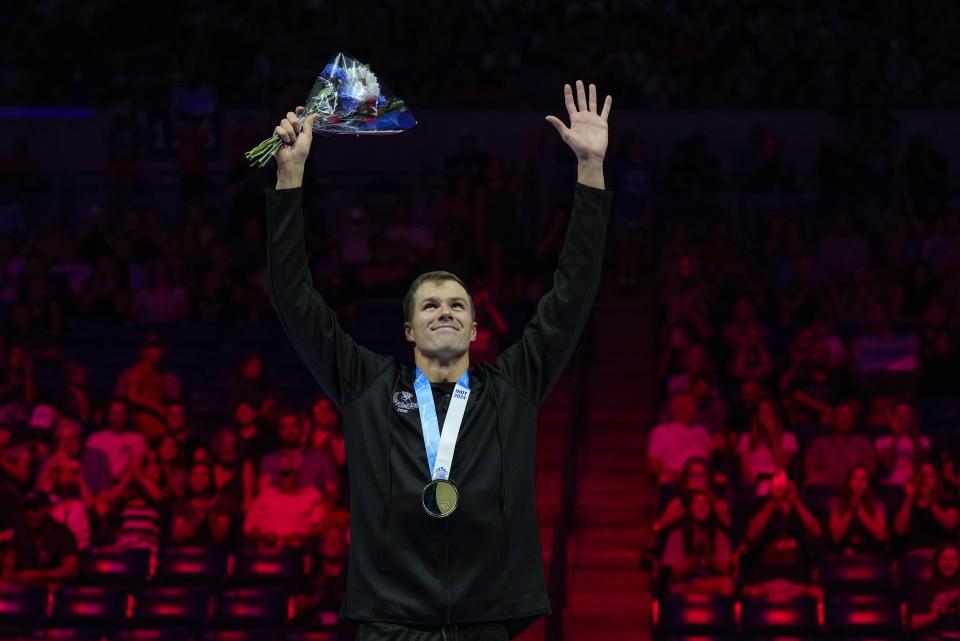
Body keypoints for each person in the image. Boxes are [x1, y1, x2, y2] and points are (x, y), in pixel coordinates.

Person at [264, 81, 612, 640]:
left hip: (486, 621)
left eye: (457, 304)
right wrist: (289, 179)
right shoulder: (368, 387)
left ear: (476, 329)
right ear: (408, 329)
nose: (444, 311)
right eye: (429, 304)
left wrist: (590, 172)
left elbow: (572, 294)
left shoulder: (513, 388)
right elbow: (294, 300)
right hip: (390, 623)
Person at [660, 489, 734, 596]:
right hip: (684, 585)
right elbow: (675, 575)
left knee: (727, 583)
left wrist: (708, 555)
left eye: (705, 503)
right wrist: (695, 555)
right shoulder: (676, 536)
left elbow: (726, 570)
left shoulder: (719, 536)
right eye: (696, 503)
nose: (701, 507)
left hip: (710, 583)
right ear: (689, 508)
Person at [910, 543, 960, 638]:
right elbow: (914, 623)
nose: (948, 563)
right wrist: (937, 614)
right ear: (937, 562)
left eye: (954, 559)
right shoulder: (925, 588)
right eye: (944, 559)